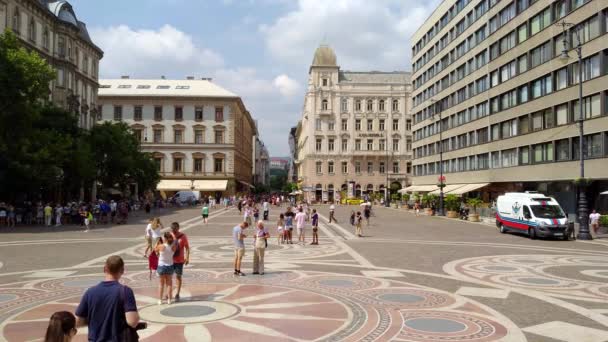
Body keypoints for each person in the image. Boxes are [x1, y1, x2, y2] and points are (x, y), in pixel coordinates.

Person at [75, 256, 140, 341]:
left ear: (104, 269)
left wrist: (95, 319)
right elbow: (132, 322)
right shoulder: (125, 291)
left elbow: (78, 322)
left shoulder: (90, 292)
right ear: (122, 271)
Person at [155, 232, 176, 305]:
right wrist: (172, 236)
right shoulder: (174, 246)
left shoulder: (161, 246)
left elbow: (155, 250)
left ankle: (160, 300)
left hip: (161, 266)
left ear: (165, 238)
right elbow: (174, 240)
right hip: (170, 266)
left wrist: (157, 242)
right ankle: (169, 300)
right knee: (169, 284)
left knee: (161, 284)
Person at [170, 222, 189, 302]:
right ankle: (169, 292)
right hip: (169, 260)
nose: (174, 231)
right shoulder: (169, 236)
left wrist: (187, 258)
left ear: (178, 228)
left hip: (179, 260)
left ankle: (177, 293)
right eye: (172, 229)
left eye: (175, 229)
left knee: (178, 276)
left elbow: (187, 247)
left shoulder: (183, 236)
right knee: (168, 277)